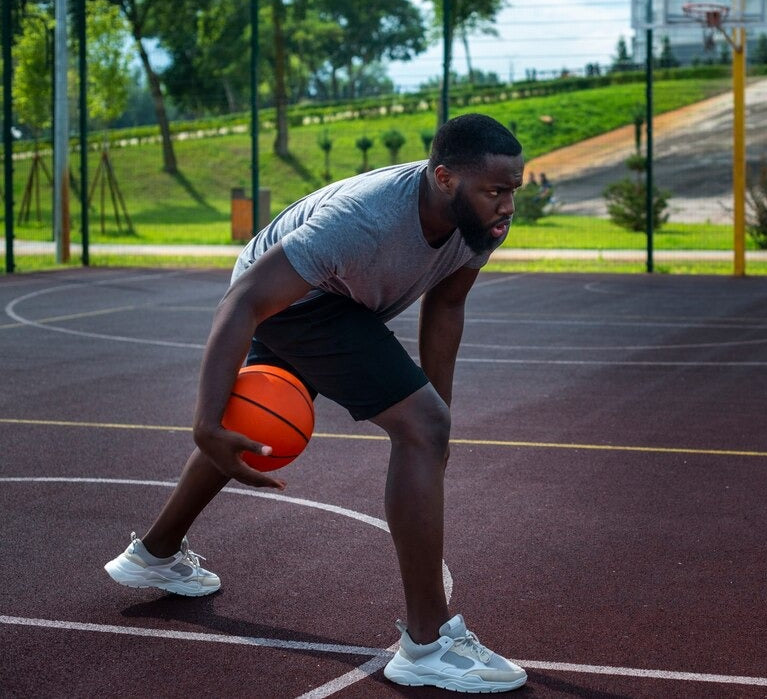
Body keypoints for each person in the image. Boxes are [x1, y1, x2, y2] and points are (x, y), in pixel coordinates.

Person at [104, 113, 527, 694]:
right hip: (288, 292)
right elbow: (245, 299)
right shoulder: (364, 220)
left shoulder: (478, 223)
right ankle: (428, 644)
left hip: (333, 293)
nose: (507, 205)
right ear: (446, 178)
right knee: (420, 427)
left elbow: (447, 304)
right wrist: (204, 421)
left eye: (513, 191)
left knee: (267, 421)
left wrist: (438, 416)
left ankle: (154, 552)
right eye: (496, 192)